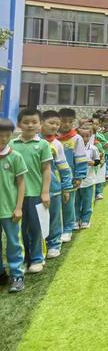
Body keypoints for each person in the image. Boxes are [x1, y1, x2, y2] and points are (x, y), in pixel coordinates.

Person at [10, 109, 52, 273]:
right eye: (26, 122)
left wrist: (45, 192)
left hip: (35, 194)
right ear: (19, 124)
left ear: (40, 125)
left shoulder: (42, 145)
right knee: (19, 230)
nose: (30, 125)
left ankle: (36, 258)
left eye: (34, 122)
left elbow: (46, 170)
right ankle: (25, 258)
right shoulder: (12, 144)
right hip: (14, 196)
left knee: (35, 227)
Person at [40, 110, 73, 258]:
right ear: (41, 123)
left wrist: (66, 188)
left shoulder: (57, 144)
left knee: (54, 217)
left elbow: (64, 168)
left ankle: (54, 244)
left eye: (57, 124)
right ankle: (38, 247)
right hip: (33, 189)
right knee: (36, 219)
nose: (55, 126)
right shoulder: (33, 141)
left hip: (54, 188)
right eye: (51, 123)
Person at [0, 119, 28, 292]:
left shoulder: (15, 156)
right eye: (0, 136)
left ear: (11, 136)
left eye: (6, 136)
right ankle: (1, 273)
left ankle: (17, 275)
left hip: (10, 210)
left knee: (13, 243)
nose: (3, 139)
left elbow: (21, 184)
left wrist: (18, 207)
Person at [57, 108, 88, 242]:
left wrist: (79, 176)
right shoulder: (51, 138)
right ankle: (56, 229)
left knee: (68, 204)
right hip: (53, 178)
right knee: (55, 206)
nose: (67, 124)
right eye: (64, 121)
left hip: (69, 178)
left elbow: (81, 158)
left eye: (70, 122)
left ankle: (68, 229)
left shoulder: (77, 138)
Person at [75, 128, 100, 229]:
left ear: (90, 137)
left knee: (87, 200)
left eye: (87, 136)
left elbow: (97, 161)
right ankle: (76, 219)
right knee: (76, 201)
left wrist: (92, 163)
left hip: (88, 180)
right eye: (82, 136)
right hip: (76, 180)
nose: (84, 138)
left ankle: (86, 219)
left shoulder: (93, 148)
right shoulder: (74, 148)